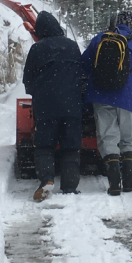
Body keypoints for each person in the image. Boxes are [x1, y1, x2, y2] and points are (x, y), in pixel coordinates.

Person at [81, 9, 132, 196]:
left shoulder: (99, 39)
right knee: (128, 137)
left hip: (100, 94)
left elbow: (84, 65)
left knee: (107, 137)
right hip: (128, 96)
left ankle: (113, 184)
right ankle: (128, 182)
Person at [21, 11, 84, 201]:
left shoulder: (37, 49)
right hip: (72, 105)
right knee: (71, 146)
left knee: (44, 145)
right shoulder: (72, 46)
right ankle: (70, 187)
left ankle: (47, 180)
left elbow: (28, 81)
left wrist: (40, 93)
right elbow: (81, 77)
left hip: (46, 106)